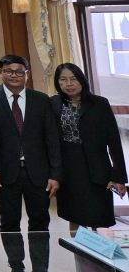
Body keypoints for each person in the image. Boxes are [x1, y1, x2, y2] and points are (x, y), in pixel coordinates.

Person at [0, 54, 61, 272]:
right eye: (9, 71)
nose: (14, 75)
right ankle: (16, 268)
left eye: (20, 71)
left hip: (38, 172)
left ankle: (40, 270)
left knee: (40, 222)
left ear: (27, 74)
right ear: (0, 72)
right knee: (9, 222)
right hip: (5, 173)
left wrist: (55, 173)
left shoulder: (41, 100)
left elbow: (52, 138)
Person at [50, 62, 127, 234]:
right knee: (75, 216)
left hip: (97, 169)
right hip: (69, 171)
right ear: (57, 82)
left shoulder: (99, 103)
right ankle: (78, 250)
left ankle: (102, 252)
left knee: (100, 218)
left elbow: (114, 141)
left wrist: (118, 177)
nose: (69, 84)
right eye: (63, 79)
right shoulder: (53, 104)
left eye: (73, 79)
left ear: (82, 80)